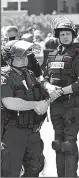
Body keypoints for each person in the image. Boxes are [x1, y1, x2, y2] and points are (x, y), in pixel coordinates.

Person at [42, 16, 79, 177]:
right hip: (56, 104)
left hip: (73, 104)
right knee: (58, 143)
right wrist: (49, 87)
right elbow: (44, 78)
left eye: (68, 34)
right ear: (58, 36)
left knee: (69, 143)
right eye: (62, 34)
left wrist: (61, 91)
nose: (65, 36)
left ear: (73, 35)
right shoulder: (52, 55)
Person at [1, 40, 50, 177]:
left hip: (33, 131)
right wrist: (35, 105)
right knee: (10, 171)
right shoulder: (4, 76)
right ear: (9, 58)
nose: (23, 60)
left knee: (34, 169)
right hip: (13, 132)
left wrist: (46, 103)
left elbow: (43, 95)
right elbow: (10, 103)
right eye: (18, 57)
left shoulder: (30, 74)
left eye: (24, 57)